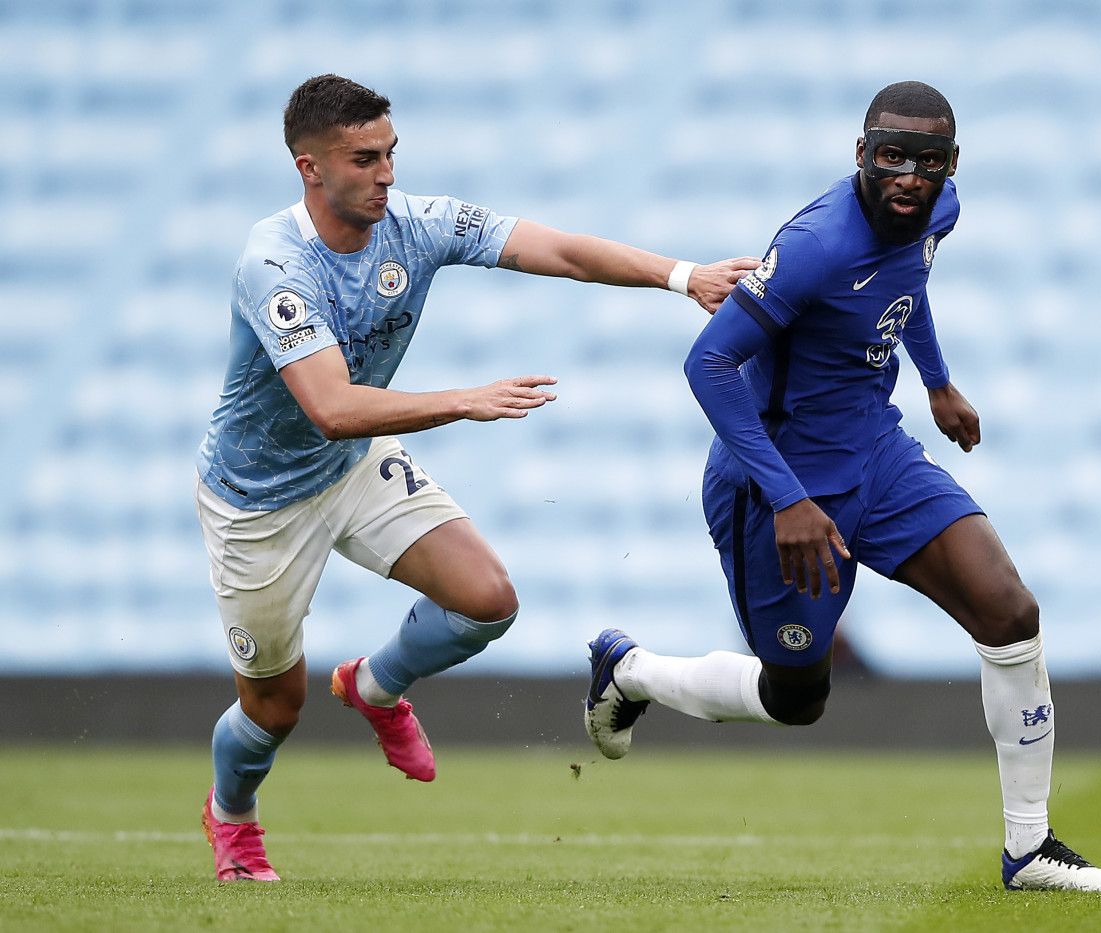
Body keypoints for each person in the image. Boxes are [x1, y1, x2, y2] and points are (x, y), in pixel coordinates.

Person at [194, 73, 757, 882]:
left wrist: (683, 275)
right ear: (309, 167)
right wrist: (465, 399)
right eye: (364, 158)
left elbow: (556, 249)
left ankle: (376, 686)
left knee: (488, 598)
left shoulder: (416, 225)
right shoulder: (274, 263)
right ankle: (233, 814)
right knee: (276, 707)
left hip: (352, 468)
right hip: (260, 499)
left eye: (391, 153)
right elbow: (329, 406)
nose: (386, 173)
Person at [584, 81, 1101, 893]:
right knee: (796, 697)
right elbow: (708, 364)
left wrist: (938, 382)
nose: (910, 175)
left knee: (1009, 609)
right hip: (780, 482)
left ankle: (1029, 847)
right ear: (862, 154)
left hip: (878, 453)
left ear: (952, 165)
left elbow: (905, 287)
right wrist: (788, 498)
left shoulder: (938, 212)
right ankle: (630, 673)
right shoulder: (814, 246)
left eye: (930, 160)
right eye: (892, 156)